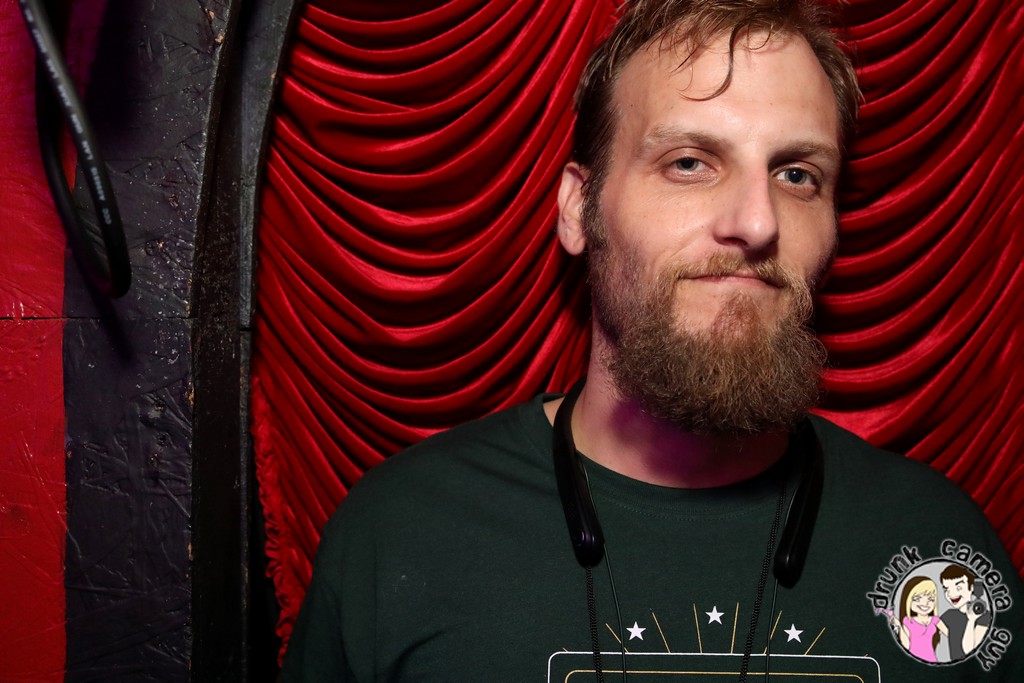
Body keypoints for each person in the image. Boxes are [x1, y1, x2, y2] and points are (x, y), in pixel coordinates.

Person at [280, 1, 1023, 680]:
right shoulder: (403, 532)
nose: (757, 223)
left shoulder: (941, 553)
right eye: (689, 163)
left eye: (798, 174)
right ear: (578, 210)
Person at [941, 564, 992, 661]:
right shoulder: (949, 615)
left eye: (958, 588)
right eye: (946, 589)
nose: (951, 594)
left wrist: (971, 620)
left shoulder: (984, 616)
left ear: (971, 587)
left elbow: (969, 650)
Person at [891, 576, 948, 663]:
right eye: (917, 599)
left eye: (931, 599)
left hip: (931, 660)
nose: (925, 603)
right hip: (912, 661)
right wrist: (898, 626)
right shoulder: (908, 621)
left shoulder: (935, 620)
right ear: (908, 600)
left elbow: (951, 635)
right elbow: (906, 645)